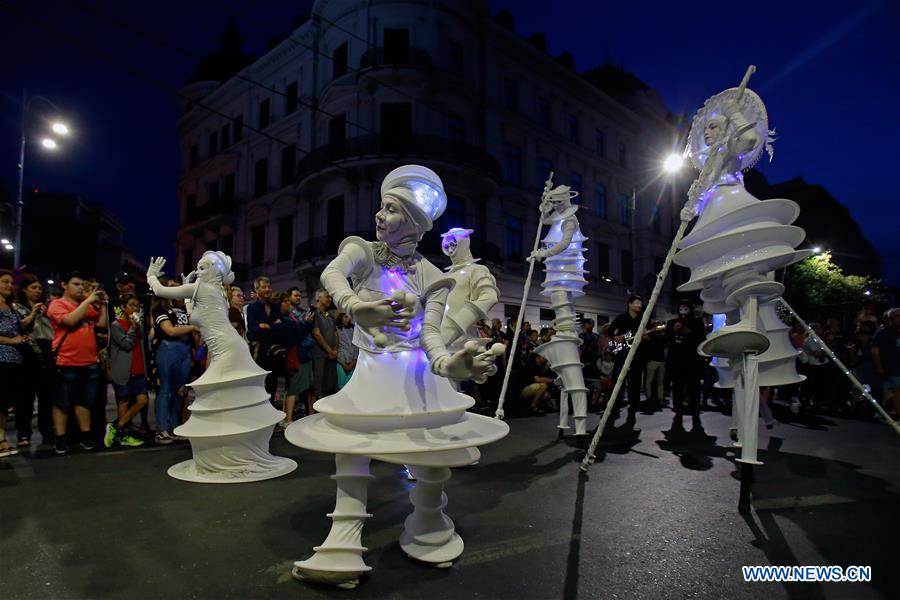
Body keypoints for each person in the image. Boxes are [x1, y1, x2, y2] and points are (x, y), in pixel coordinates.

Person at [46, 271, 107, 454]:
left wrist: (102, 305)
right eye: (76, 284)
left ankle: (85, 436)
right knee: (62, 402)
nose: (80, 288)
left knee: (84, 401)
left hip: (89, 361)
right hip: (66, 360)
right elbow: (69, 320)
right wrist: (88, 301)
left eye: (82, 284)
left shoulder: (84, 305)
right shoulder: (57, 304)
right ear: (64, 285)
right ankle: (60, 438)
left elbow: (101, 324)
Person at [151, 277, 195, 444]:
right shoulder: (160, 309)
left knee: (180, 390)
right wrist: (192, 327)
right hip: (168, 348)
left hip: (184, 349)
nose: (176, 290)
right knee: (166, 389)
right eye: (171, 287)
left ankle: (176, 427)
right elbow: (169, 330)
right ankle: (162, 429)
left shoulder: (182, 308)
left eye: (178, 287)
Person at [104, 295, 148, 447]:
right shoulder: (116, 325)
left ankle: (116, 427)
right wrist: (133, 327)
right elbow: (127, 344)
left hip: (139, 368)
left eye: (137, 306)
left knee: (142, 400)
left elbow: (141, 345)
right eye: (131, 305)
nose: (134, 309)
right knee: (124, 401)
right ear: (123, 307)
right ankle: (123, 435)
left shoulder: (138, 326)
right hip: (124, 370)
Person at [15, 274, 54, 445]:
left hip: (45, 353)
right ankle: (23, 434)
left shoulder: (46, 307)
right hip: (26, 354)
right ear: (24, 289)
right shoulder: (17, 307)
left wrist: (47, 314)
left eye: (39, 288)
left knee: (46, 398)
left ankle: (47, 432)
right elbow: (19, 326)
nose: (37, 291)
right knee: (25, 397)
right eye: (33, 288)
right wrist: (33, 313)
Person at [665, 300, 707, 435]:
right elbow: (667, 340)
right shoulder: (672, 323)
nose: (683, 310)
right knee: (677, 388)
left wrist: (689, 332)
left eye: (686, 308)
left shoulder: (697, 323)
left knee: (694, 389)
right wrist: (674, 331)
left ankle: (695, 414)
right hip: (676, 363)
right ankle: (678, 412)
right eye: (681, 308)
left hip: (692, 362)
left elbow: (701, 340)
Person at [0, 269, 29, 456]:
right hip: (1, 358)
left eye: (11, 282)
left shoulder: (10, 307)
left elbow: (21, 326)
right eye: (5, 281)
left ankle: (1, 438)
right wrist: (13, 341)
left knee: (4, 403)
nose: (9, 285)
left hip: (14, 360)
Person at [608, 294, 644, 424]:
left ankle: (633, 408)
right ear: (629, 304)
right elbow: (610, 331)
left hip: (637, 355)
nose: (639, 305)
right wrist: (615, 337)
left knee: (635, 383)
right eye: (636, 303)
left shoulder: (643, 319)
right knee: (618, 381)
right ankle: (614, 407)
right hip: (622, 354)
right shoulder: (621, 318)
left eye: (640, 303)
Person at [246, 276, 280, 394]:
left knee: (272, 385)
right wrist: (274, 326)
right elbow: (254, 330)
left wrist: (268, 326)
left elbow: (282, 328)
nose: (268, 289)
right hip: (259, 353)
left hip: (273, 353)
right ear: (257, 290)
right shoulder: (252, 308)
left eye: (269, 286)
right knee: (258, 387)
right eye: (264, 287)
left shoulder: (275, 307)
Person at [310, 288, 339, 409]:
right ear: (319, 298)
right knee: (319, 387)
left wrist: (335, 350)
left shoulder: (329, 315)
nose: (330, 299)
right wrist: (329, 350)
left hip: (332, 355)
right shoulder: (314, 313)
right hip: (320, 355)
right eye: (327, 296)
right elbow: (316, 333)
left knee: (331, 385)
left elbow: (336, 333)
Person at [872, 308, 900, 419]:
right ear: (890, 319)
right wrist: (879, 366)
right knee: (897, 390)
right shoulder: (883, 332)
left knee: (895, 392)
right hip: (891, 366)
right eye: (897, 316)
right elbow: (875, 350)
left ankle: (883, 410)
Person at [335, 312, 358, 389]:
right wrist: (343, 363)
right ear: (341, 318)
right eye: (346, 317)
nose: (349, 319)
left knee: (351, 387)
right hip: (341, 363)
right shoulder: (336, 329)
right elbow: (337, 347)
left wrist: (353, 362)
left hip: (352, 363)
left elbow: (356, 346)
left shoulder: (353, 329)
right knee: (341, 387)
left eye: (350, 317)